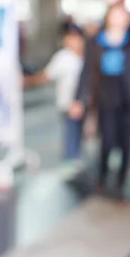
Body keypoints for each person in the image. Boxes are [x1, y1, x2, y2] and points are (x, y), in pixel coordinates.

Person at [69, 3, 130, 203]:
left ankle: (121, 182)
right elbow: (86, 72)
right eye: (115, 15)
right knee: (107, 141)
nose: (118, 19)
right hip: (105, 97)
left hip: (127, 99)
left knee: (127, 143)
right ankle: (103, 177)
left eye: (123, 16)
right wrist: (79, 99)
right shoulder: (95, 41)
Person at [24, 28, 85, 174]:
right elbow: (47, 75)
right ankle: (70, 165)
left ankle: (76, 162)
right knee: (71, 135)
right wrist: (26, 82)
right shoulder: (63, 57)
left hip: (85, 104)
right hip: (68, 105)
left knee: (80, 135)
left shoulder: (89, 55)